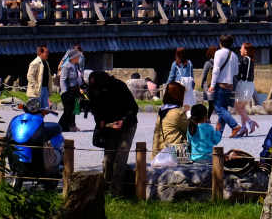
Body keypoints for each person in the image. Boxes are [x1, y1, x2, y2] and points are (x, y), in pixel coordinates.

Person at [86, 69, 139, 197]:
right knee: (108, 160)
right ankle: (105, 190)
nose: (96, 90)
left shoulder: (119, 86)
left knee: (119, 160)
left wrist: (123, 121)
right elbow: (96, 110)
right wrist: (101, 122)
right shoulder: (93, 90)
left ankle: (116, 193)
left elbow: (133, 108)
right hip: (110, 126)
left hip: (127, 124)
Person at [209, 34, 243, 138]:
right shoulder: (234, 55)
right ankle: (218, 132)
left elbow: (215, 70)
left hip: (221, 85)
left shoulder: (218, 53)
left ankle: (235, 126)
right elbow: (236, 72)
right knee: (223, 109)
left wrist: (212, 85)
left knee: (218, 108)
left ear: (220, 43)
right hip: (230, 85)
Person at [152, 80, 191, 152]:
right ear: (178, 95)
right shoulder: (178, 112)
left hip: (158, 151)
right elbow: (189, 130)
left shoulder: (162, 110)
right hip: (176, 154)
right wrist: (189, 113)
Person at [234, 42, 261, 135]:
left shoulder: (245, 59)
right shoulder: (251, 60)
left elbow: (238, 73)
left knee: (238, 107)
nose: (240, 50)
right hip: (249, 85)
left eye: (241, 48)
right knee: (242, 108)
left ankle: (250, 122)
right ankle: (244, 127)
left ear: (245, 50)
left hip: (244, 85)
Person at [57, 47, 85, 132]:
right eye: (78, 57)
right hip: (68, 90)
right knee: (68, 110)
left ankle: (72, 125)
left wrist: (81, 86)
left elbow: (77, 78)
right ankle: (60, 126)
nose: (79, 58)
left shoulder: (75, 65)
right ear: (73, 57)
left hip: (75, 89)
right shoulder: (66, 66)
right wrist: (64, 91)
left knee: (74, 109)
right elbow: (63, 79)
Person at [27, 45, 53, 110]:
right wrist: (36, 86)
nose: (48, 54)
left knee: (44, 109)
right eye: (46, 52)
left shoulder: (46, 63)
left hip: (45, 89)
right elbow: (30, 76)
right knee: (35, 109)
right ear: (40, 53)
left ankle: (41, 120)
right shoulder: (35, 62)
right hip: (37, 90)